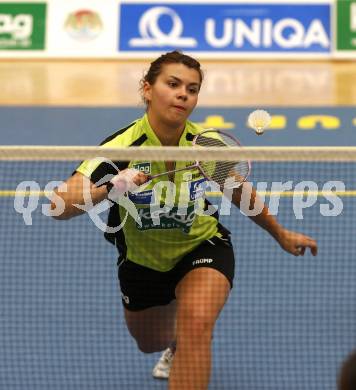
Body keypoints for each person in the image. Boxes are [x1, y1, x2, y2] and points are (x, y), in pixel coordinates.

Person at [51, 51, 318, 390]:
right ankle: (172, 344)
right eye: (173, 84)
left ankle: (185, 340)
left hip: (202, 245)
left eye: (192, 89)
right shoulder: (122, 148)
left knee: (196, 324)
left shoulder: (203, 145)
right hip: (142, 260)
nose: (183, 94)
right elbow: (58, 206)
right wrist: (111, 186)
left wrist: (280, 233)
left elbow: (237, 191)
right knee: (149, 341)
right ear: (147, 89)